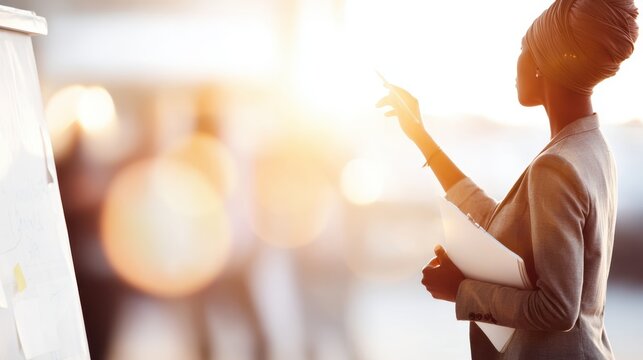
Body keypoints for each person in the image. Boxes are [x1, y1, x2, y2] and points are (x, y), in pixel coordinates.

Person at [376, 0, 638, 359]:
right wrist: (422, 137)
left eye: (523, 49)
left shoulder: (556, 167)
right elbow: (502, 220)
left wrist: (462, 290)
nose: (516, 64)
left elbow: (558, 308)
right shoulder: (593, 148)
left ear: (544, 64)